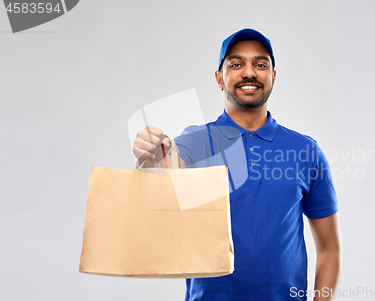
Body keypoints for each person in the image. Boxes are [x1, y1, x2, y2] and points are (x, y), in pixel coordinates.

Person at [132, 28, 341, 301]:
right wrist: (150, 159)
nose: (249, 72)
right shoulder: (193, 144)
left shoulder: (305, 151)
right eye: (236, 64)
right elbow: (159, 187)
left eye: (261, 64)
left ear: (273, 77)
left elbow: (329, 249)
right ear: (220, 78)